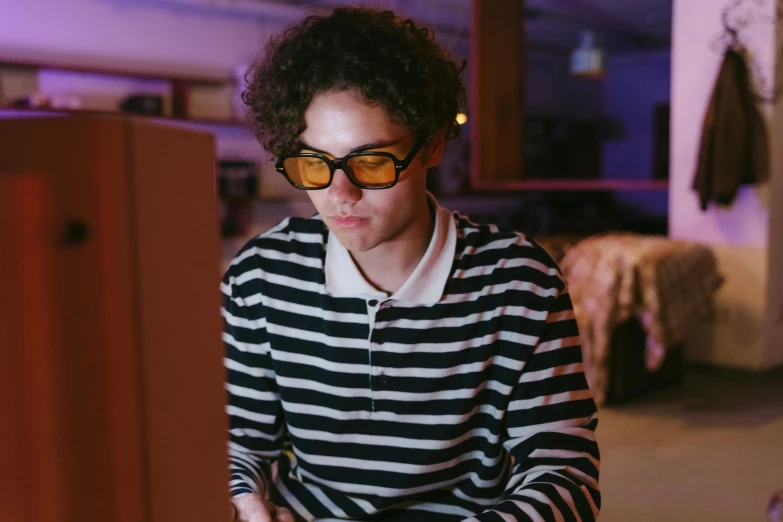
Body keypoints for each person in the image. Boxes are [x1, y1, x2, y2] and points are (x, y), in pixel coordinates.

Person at [222, 7, 600, 522]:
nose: (340, 194)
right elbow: (238, 438)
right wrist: (247, 502)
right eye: (313, 164)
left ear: (434, 144)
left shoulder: (519, 281)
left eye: (372, 162)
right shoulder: (260, 276)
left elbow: (564, 472)